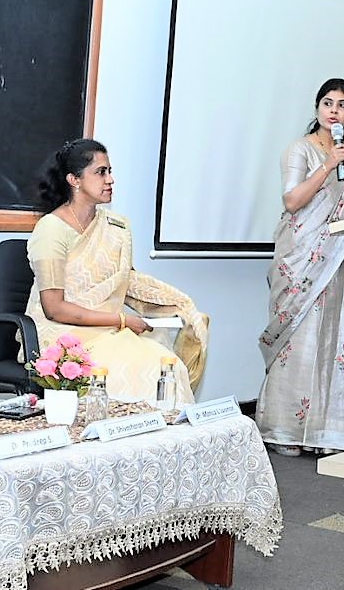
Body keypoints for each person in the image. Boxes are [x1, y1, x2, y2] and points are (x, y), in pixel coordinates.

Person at [24, 138, 208, 404]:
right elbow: (54, 308)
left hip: (108, 331)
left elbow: (126, 282)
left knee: (167, 366)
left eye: (110, 171)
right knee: (147, 368)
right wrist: (122, 321)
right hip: (63, 337)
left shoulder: (115, 226)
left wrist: (180, 305)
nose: (110, 179)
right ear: (74, 180)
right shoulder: (52, 229)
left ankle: (161, 431)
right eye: (101, 172)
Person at [256, 78, 344, 457]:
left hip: (340, 257)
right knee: (299, 342)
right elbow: (293, 201)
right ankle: (284, 430)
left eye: (342, 105)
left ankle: (325, 433)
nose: (334, 111)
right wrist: (327, 166)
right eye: (328, 103)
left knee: (335, 340)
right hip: (301, 257)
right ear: (318, 109)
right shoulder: (300, 149)